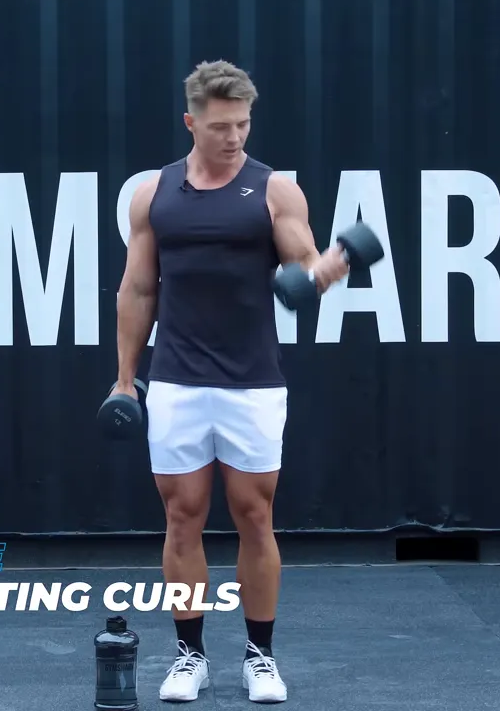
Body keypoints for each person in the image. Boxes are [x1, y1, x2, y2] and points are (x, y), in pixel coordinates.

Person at [112, 60, 350, 704]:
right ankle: (190, 655)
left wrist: (327, 268)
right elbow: (138, 289)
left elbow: (304, 258)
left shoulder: (275, 191)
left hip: (252, 383)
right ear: (191, 122)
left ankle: (260, 656)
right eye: (220, 126)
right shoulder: (152, 195)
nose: (234, 137)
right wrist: (124, 379)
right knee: (182, 518)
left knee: (255, 515)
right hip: (179, 382)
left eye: (243, 124)